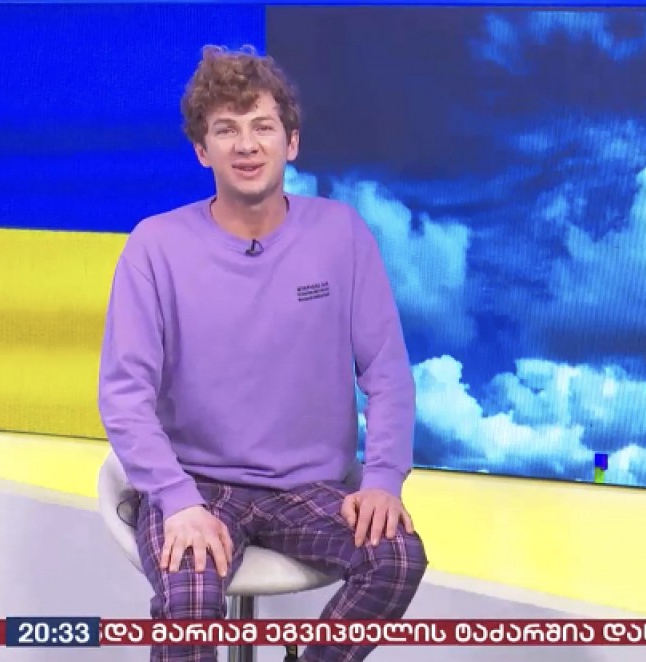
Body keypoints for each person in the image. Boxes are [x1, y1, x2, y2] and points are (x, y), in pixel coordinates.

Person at [97, 44, 428, 662]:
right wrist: (177, 500)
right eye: (226, 129)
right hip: (195, 482)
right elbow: (124, 396)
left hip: (308, 488)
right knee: (190, 605)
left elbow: (386, 373)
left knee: (396, 557)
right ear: (203, 150)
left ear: (291, 142)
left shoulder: (341, 234)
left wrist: (384, 480)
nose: (246, 145)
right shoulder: (154, 246)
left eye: (262, 127)